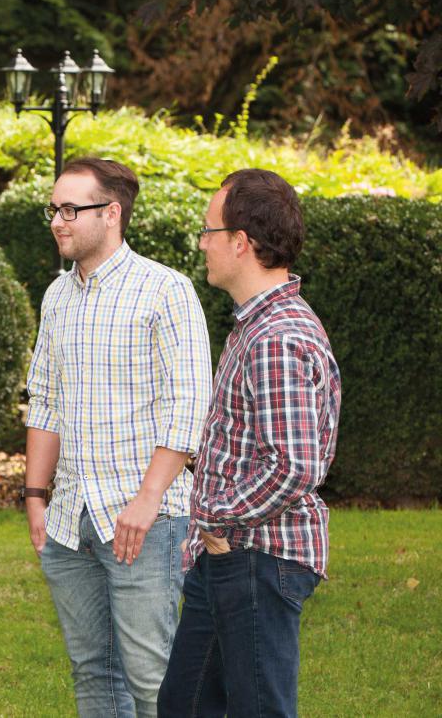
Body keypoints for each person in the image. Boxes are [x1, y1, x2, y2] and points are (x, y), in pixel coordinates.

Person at [24, 157, 213, 717]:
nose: (58, 221)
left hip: (144, 521)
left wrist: (148, 500)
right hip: (68, 521)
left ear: (111, 214)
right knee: (93, 675)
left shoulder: (165, 290)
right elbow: (46, 397)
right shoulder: (57, 296)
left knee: (154, 678)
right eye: (53, 209)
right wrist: (36, 496)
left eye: (69, 209)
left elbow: (188, 406)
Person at [158, 169, 341, 717]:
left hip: (258, 555)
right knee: (185, 706)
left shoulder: (277, 337)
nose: (203, 244)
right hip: (230, 556)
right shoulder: (255, 325)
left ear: (242, 242)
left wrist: (216, 517)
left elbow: (295, 465)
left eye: (208, 231)